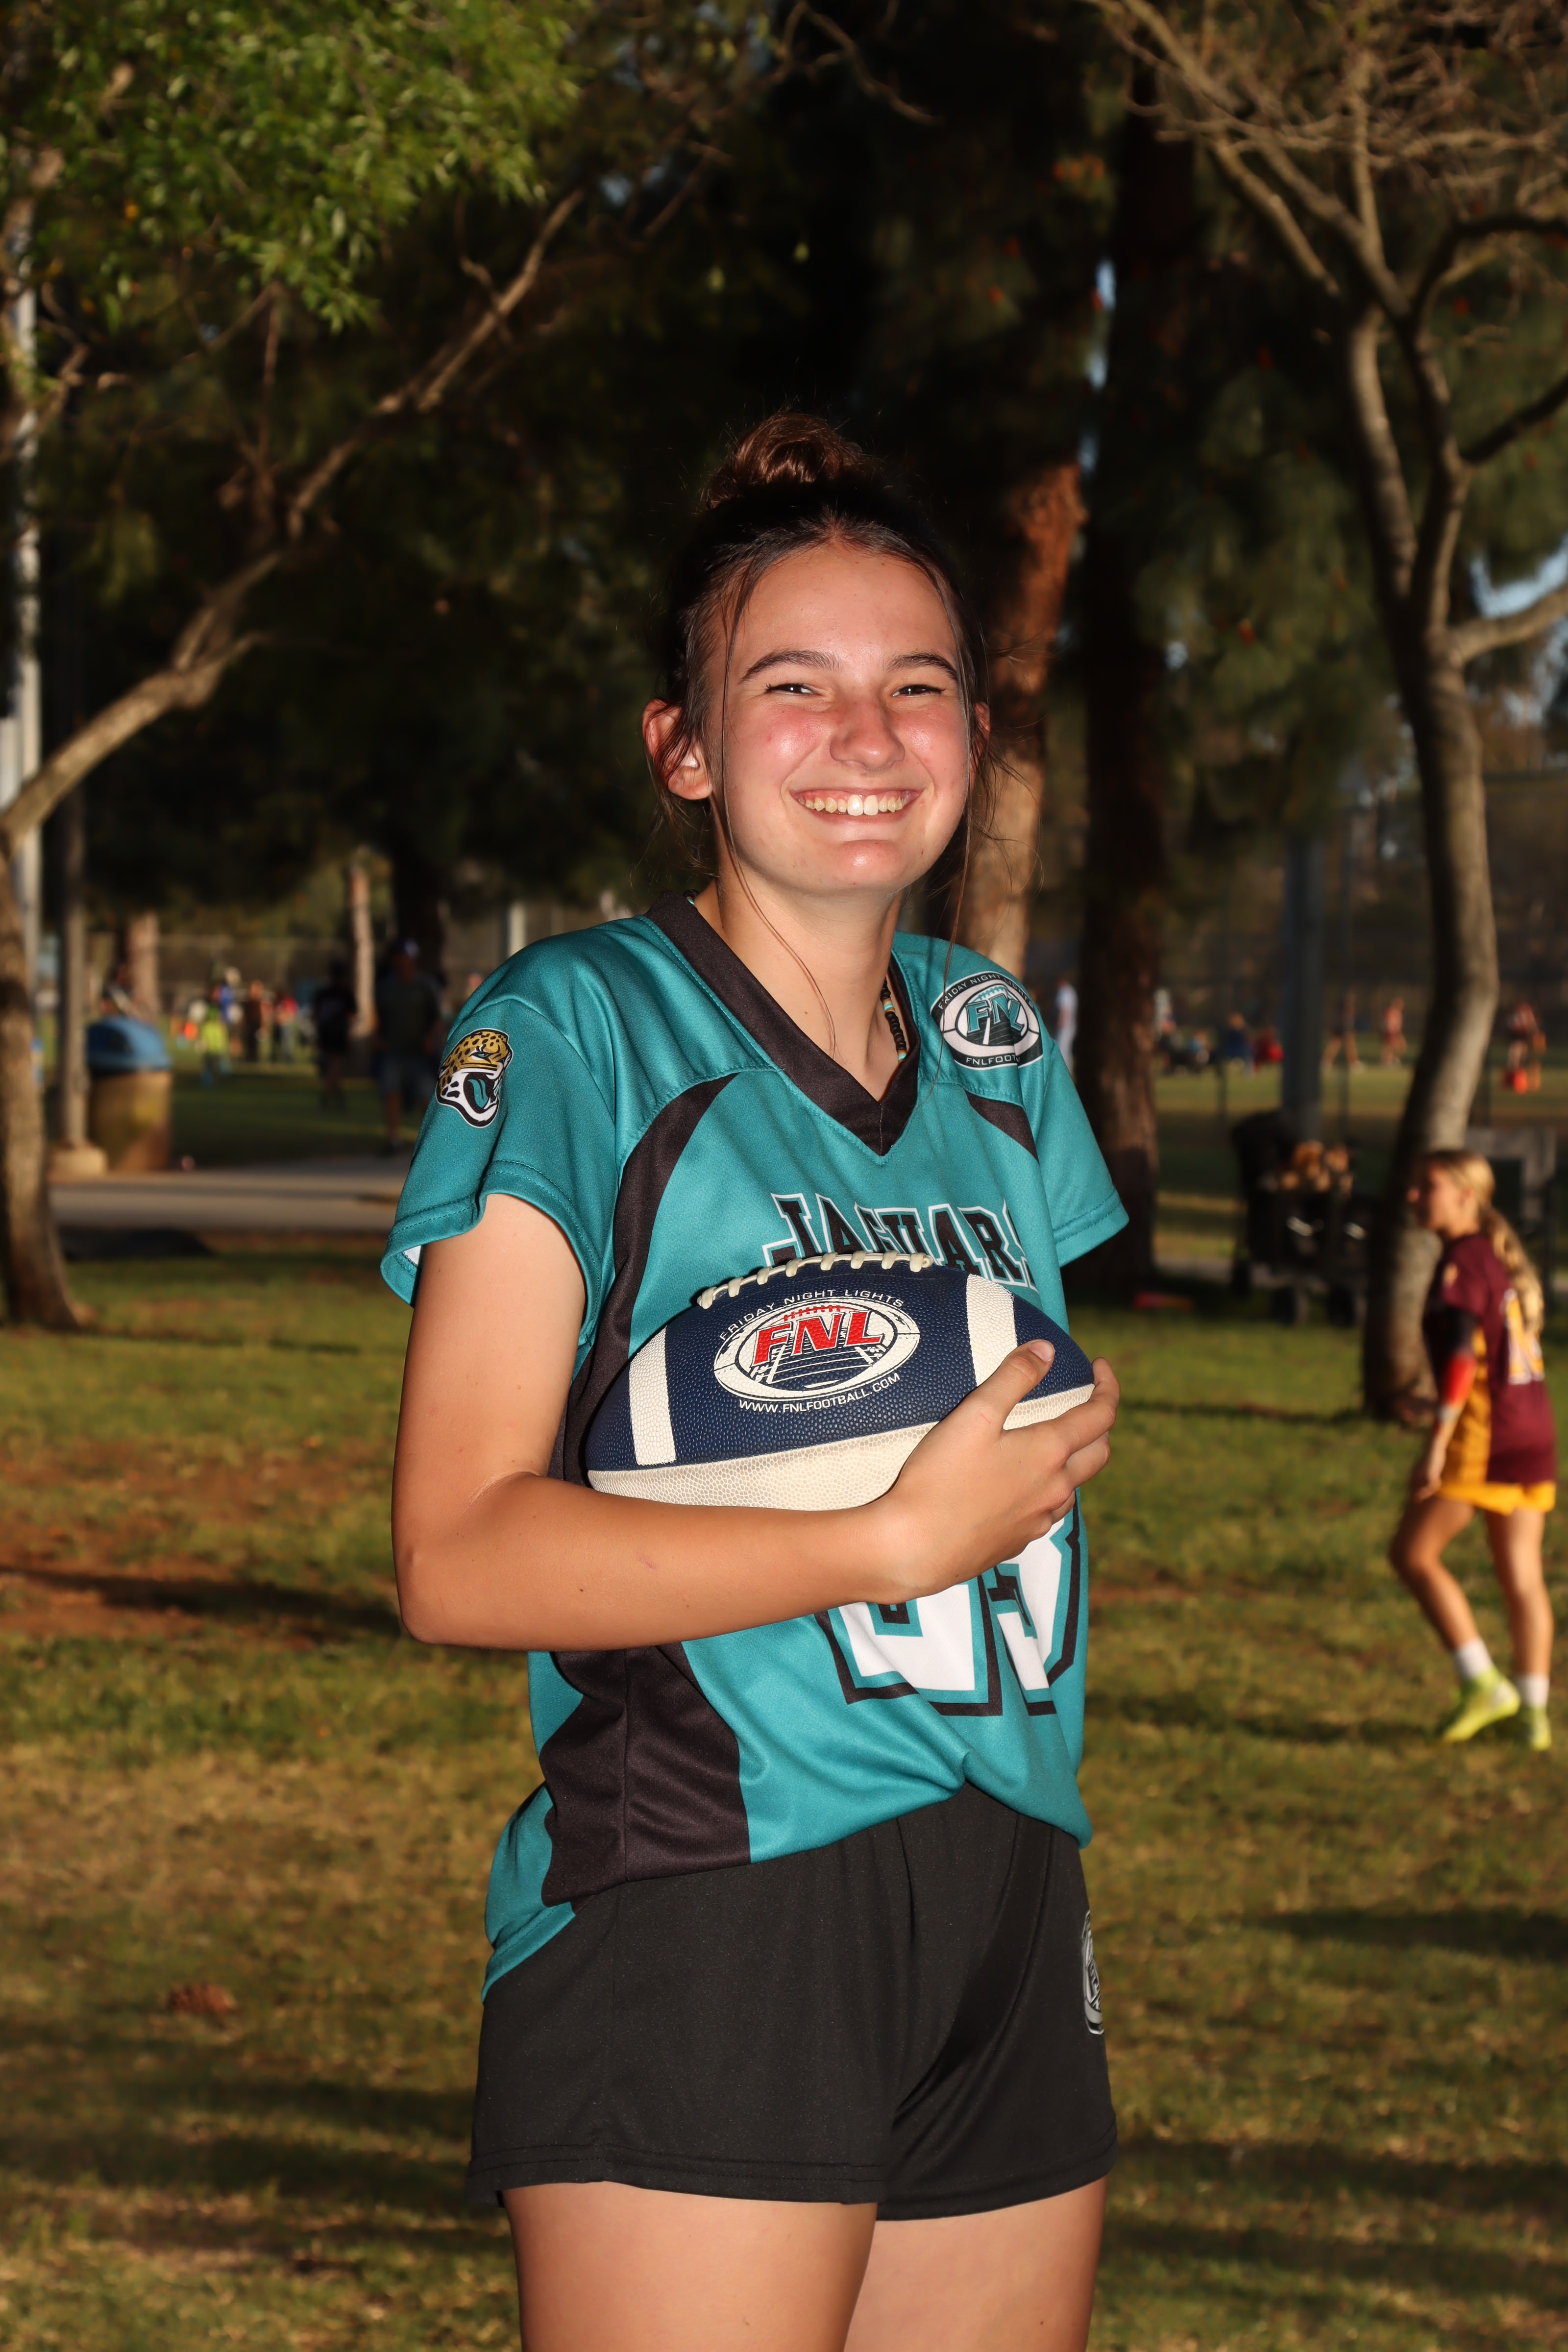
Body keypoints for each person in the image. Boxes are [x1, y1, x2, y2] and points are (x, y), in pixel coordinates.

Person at [384, 415, 1127, 2352]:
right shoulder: (572, 1030)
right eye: (792, 687)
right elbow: (456, 1555)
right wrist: (888, 1541)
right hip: (710, 1891)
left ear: (977, 732)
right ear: (685, 747)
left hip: (1008, 1885)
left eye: (917, 685)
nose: (866, 734)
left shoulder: (992, 1042)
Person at [1388, 1149, 1556, 1752]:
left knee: (1412, 1553)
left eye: (1427, 1186)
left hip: (1487, 1436)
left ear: (1466, 1195)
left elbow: (1462, 1357)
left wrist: (1436, 1443)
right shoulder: (1490, 1256)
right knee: (1521, 1576)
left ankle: (1482, 1682)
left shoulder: (1462, 1259)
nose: (1414, 1196)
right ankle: (1532, 1713)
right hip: (1533, 1431)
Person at [374, 939, 444, 1152]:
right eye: (398, 957)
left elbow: (437, 1017)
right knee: (391, 1092)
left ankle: (431, 1143)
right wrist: (378, 1037)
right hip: (394, 1050)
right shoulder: (387, 986)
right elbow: (380, 1016)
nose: (402, 961)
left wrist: (432, 1038)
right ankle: (393, 1139)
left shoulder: (426, 986)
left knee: (426, 1096)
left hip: (420, 1052)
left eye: (405, 957)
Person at [311, 958, 358, 1111]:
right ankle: (331, 1099)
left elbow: (315, 1015)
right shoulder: (345, 994)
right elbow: (352, 1015)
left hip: (327, 1035)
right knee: (334, 1068)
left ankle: (334, 1099)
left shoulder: (324, 993)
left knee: (332, 1068)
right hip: (337, 1036)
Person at [1054, 976, 1078, 1074]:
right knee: (1067, 1050)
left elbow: (1065, 1009)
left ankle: (1064, 1071)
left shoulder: (1065, 992)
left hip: (1065, 1026)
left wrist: (1061, 1022)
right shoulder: (1071, 991)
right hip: (1070, 1025)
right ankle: (1068, 1071)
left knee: (1063, 1049)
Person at [1379, 997, 1406, 1068]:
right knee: (1390, 1047)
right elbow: (1388, 1022)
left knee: (1402, 1046)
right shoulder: (1390, 1012)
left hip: (1397, 1032)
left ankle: (1394, 1060)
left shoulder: (1399, 1013)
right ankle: (1386, 1062)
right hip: (1391, 1031)